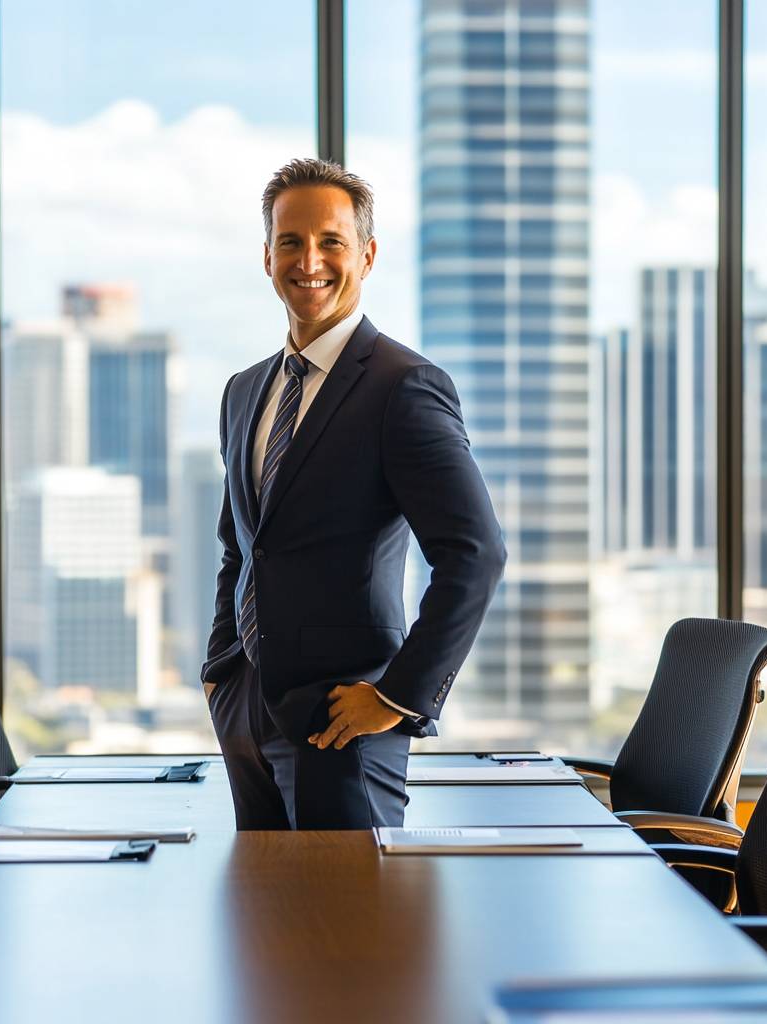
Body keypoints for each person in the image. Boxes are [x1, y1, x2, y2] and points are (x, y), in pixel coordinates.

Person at [201, 157, 506, 830]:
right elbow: (240, 547)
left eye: (331, 241)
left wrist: (398, 697)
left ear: (366, 256)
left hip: (347, 719)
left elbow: (475, 554)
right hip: (247, 712)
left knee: (355, 929)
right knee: (264, 924)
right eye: (291, 241)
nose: (309, 260)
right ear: (267, 256)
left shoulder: (404, 387)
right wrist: (221, 672)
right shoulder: (245, 391)